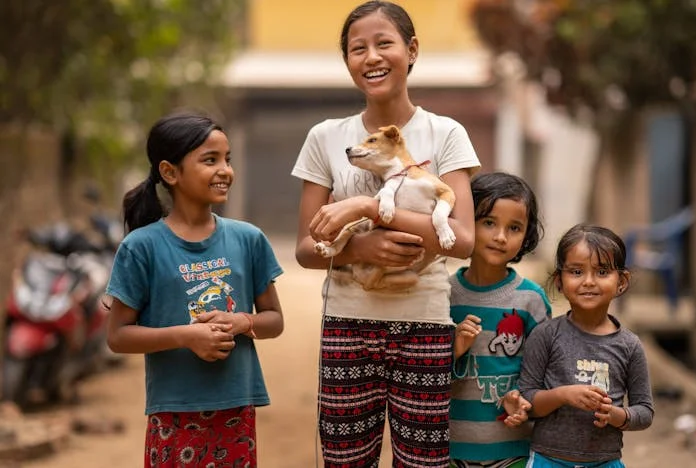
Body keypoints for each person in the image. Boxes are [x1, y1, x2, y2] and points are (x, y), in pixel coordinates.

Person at [290, 1, 481, 466]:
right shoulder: (326, 137)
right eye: (358, 49)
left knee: (422, 462)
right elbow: (305, 249)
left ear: (411, 50)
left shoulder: (445, 133)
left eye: (384, 44)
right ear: (348, 62)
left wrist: (369, 207)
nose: (371, 57)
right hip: (347, 323)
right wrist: (361, 246)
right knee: (345, 460)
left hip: (425, 323)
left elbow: (463, 238)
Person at [106, 112, 284, 467]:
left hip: (236, 407)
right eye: (210, 160)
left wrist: (241, 322)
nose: (225, 170)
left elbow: (274, 320)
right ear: (170, 172)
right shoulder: (141, 247)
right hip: (174, 411)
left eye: (227, 159)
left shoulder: (248, 239)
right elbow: (118, 336)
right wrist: (187, 336)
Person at [503, 224, 654, 468]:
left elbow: (645, 412)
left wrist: (617, 416)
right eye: (576, 272)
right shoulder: (546, 335)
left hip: (605, 461)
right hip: (547, 460)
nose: (589, 282)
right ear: (559, 281)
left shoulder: (630, 346)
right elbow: (527, 400)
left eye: (602, 272)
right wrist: (563, 395)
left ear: (622, 281)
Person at [449, 172, 551, 468]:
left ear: (527, 234)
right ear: (466, 221)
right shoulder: (444, 296)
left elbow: (545, 374)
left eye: (514, 227)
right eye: (489, 222)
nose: (501, 237)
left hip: (514, 450)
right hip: (450, 449)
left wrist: (524, 402)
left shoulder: (531, 301)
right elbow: (422, 375)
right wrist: (453, 350)